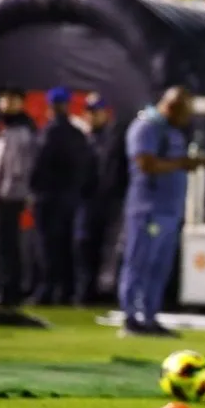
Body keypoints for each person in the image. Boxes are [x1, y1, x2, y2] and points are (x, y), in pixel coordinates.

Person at [117, 88, 204, 338]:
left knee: (159, 266)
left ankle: (149, 316)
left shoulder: (171, 130)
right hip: (148, 209)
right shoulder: (146, 127)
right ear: (172, 107)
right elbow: (145, 163)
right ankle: (131, 318)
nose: (188, 119)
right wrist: (183, 164)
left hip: (168, 210)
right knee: (140, 262)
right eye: (185, 112)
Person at [30, 86, 94, 306]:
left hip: (50, 197)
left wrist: (35, 190)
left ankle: (48, 290)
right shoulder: (77, 134)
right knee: (66, 245)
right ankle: (66, 290)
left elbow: (39, 165)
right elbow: (86, 168)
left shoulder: (49, 132)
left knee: (48, 246)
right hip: (71, 197)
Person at [0, 87, 36, 310]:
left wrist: (11, 193)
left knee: (9, 246)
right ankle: (6, 289)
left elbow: (19, 169)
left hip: (10, 197)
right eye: (2, 99)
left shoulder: (21, 130)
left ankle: (10, 291)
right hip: (4, 196)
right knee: (5, 245)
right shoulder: (11, 128)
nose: (4, 104)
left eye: (10, 100)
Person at [78, 93, 123, 306]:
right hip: (86, 199)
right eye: (89, 112)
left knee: (107, 246)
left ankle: (103, 291)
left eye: (96, 112)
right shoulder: (83, 138)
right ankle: (86, 291)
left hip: (108, 200)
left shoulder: (113, 139)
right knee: (84, 244)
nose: (92, 116)